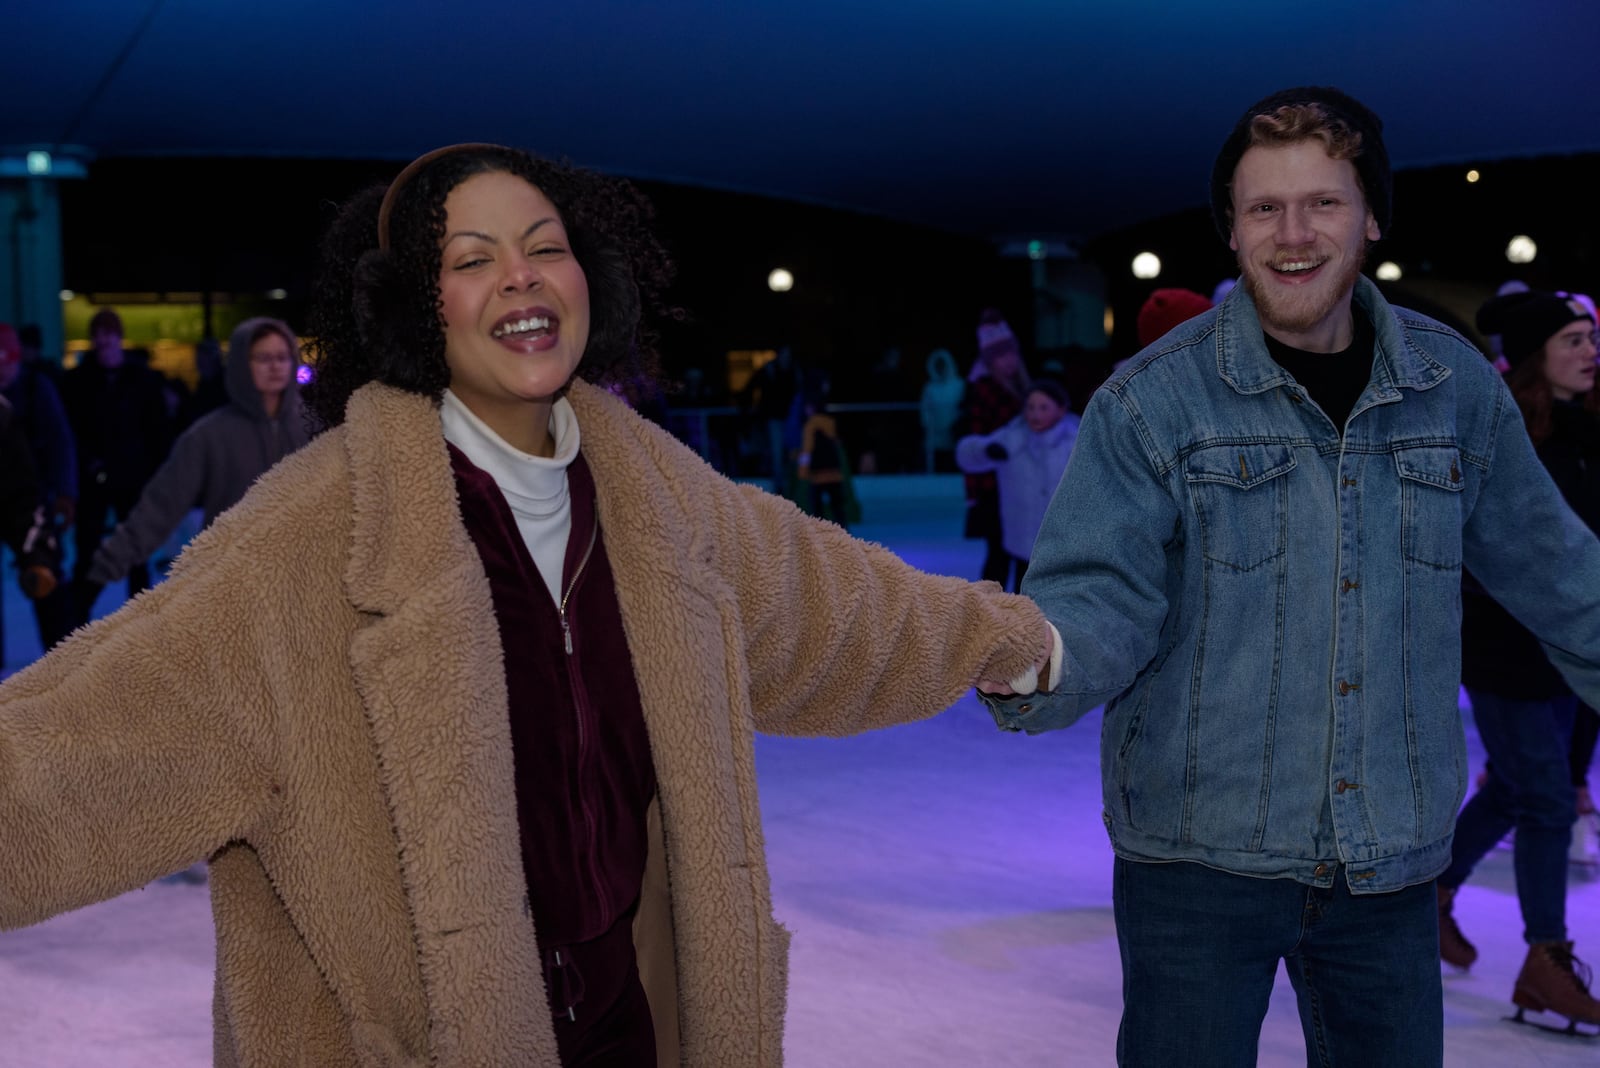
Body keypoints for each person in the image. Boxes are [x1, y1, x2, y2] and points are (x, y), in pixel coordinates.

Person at [0, 142, 1051, 1066]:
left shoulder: (663, 500)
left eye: (543, 246)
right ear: (411, 307)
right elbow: (70, 756)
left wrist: (1015, 636)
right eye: (469, 260)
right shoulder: (307, 551)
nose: (520, 277)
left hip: (638, 1028)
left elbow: (838, 606)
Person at [984, 87, 1600, 1064]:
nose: (1293, 232)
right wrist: (1034, 656)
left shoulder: (1450, 391)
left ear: (1372, 218)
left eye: (1323, 202)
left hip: (1388, 867)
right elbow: (1098, 596)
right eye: (1263, 207)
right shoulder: (1153, 404)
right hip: (1197, 863)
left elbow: (1565, 579)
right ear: (1230, 230)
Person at [1438, 290, 1600, 1028]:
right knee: (1543, 800)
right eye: (1573, 339)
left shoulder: (1585, 428)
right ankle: (1546, 959)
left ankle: (1431, 894)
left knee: (1516, 787)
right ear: (1538, 355)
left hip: (1571, 645)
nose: (1590, 351)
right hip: (1506, 647)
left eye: (1592, 337)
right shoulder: (1505, 434)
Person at [76, 316, 313, 617]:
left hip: (304, 587)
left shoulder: (313, 427)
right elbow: (160, 505)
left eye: (282, 357)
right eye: (263, 357)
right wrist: (104, 568)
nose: (275, 366)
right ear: (242, 363)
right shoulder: (210, 435)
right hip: (234, 588)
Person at [59, 307, 173, 611]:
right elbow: (69, 431)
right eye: (99, 335)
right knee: (88, 551)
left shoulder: (141, 380)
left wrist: (153, 472)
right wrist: (88, 463)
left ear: (118, 338)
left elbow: (157, 429)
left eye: (108, 335)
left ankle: (138, 619)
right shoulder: (77, 382)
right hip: (94, 477)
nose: (104, 341)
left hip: (133, 475)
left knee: (136, 552)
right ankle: (77, 617)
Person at [955, 379, 1079, 589]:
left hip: (1064, 543)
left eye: (1043, 407)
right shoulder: (1013, 437)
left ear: (1060, 410)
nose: (1035, 414)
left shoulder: (1076, 440)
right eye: (1030, 407)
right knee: (1024, 596)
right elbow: (967, 456)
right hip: (1021, 539)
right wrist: (985, 450)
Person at [0, 323, 75, 649]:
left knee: (44, 575)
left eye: (7, 365)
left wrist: (65, 493)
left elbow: (60, 443)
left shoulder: (35, 388)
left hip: (32, 499)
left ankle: (63, 664)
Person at [959, 310, 1030, 589]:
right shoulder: (983, 390)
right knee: (999, 556)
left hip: (1020, 485)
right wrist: (975, 494)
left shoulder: (1023, 389)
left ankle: (1024, 615)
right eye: (1001, 356)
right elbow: (974, 447)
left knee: (1025, 555)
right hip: (993, 490)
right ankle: (991, 617)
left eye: (1011, 353)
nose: (1009, 361)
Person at [795, 382, 850, 527]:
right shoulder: (831, 423)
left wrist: (802, 474)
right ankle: (844, 536)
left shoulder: (809, 426)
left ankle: (820, 540)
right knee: (838, 509)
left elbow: (807, 452)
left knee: (817, 513)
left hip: (817, 476)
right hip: (834, 473)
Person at [919, 348, 965, 472]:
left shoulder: (959, 385)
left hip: (954, 434)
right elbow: (925, 411)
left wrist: (956, 426)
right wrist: (930, 425)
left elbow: (963, 408)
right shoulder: (930, 388)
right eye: (938, 366)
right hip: (935, 435)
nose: (941, 368)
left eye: (943, 365)